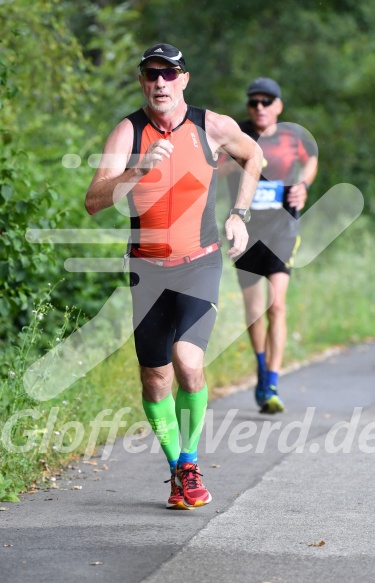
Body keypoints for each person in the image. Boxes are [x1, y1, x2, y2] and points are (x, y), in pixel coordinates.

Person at [85, 44, 261, 510]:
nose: (159, 82)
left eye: (168, 74)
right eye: (150, 74)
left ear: (184, 79)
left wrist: (240, 213)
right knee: (155, 378)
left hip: (199, 262)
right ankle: (176, 471)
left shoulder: (211, 125)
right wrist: (138, 167)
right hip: (146, 267)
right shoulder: (129, 131)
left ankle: (189, 462)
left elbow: (255, 155)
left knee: (187, 361)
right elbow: (95, 199)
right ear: (143, 81)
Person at [225, 77, 318, 414]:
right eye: (254, 102)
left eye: (267, 101)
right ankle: (262, 370)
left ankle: (272, 383)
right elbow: (215, 170)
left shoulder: (292, 136)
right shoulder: (237, 134)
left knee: (276, 305)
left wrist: (304, 184)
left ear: (279, 105)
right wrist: (241, 161)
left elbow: (310, 160)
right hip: (247, 232)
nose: (260, 107)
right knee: (254, 311)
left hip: (282, 230)